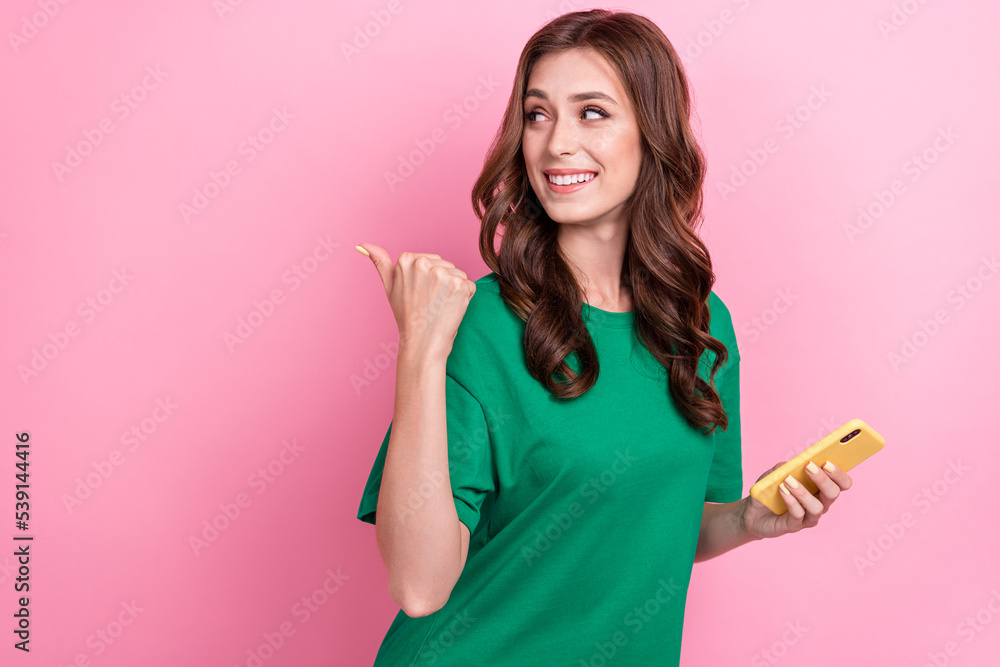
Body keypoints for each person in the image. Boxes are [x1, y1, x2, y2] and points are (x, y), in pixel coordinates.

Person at [354, 9, 853, 666]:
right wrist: (421, 347)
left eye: (591, 112)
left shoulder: (700, 324)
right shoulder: (478, 323)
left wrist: (748, 521)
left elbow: (656, 517)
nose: (556, 143)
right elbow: (419, 585)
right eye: (537, 114)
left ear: (653, 133)